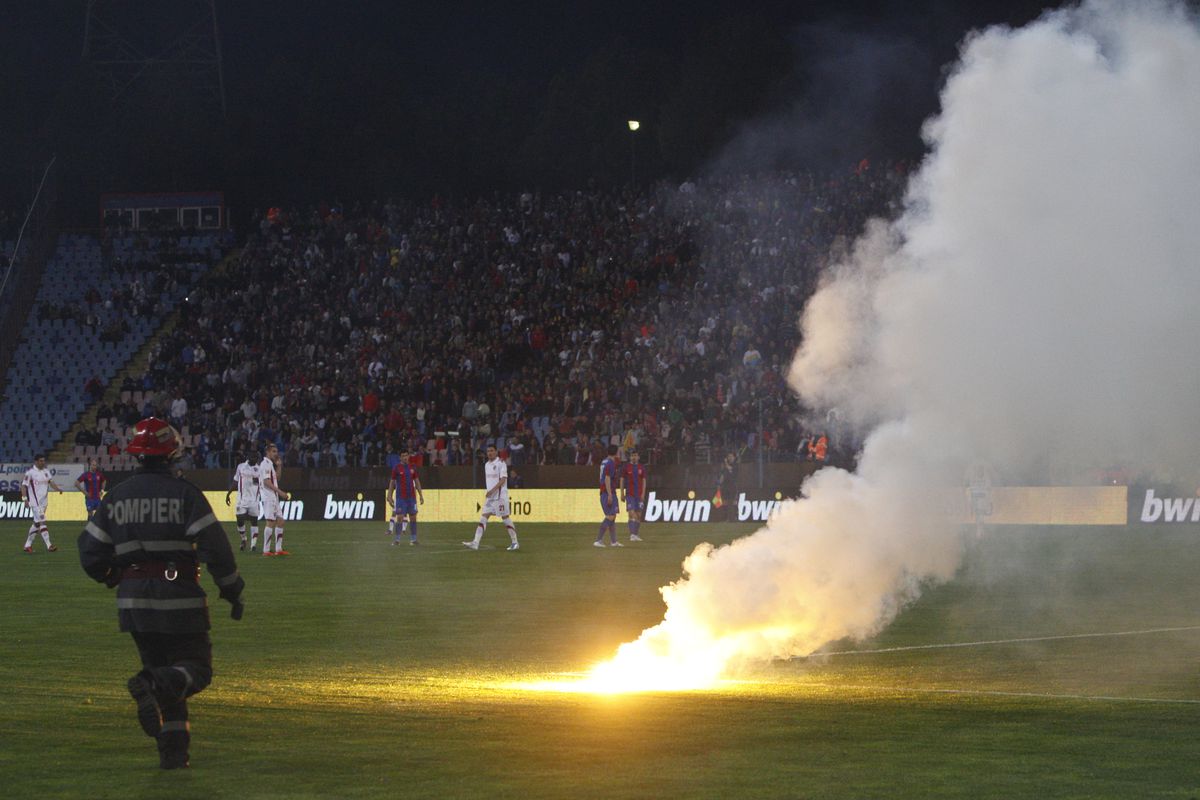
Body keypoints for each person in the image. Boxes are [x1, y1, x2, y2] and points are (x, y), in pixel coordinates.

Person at [77, 416, 245, 770]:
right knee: (195, 670)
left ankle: (173, 754)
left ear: (137, 454)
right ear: (173, 453)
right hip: (179, 595)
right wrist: (231, 590)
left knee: (167, 674)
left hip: (133, 601)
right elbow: (217, 549)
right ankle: (149, 684)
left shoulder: (117, 496)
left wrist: (114, 575)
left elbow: (90, 552)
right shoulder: (185, 493)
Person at [463, 445, 519, 551]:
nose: (489, 453)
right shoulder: (487, 465)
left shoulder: (501, 463)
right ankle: (475, 543)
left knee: (505, 518)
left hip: (500, 497)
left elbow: (503, 480)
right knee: (483, 517)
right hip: (490, 498)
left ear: (496, 452)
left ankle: (515, 542)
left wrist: (492, 491)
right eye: (488, 451)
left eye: (492, 451)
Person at [22, 455, 63, 553]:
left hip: (44, 502)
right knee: (42, 522)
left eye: (44, 461)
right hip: (35, 503)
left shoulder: (46, 471)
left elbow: (50, 482)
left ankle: (27, 545)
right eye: (41, 461)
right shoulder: (30, 473)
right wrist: (25, 499)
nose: (43, 462)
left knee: (36, 523)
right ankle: (49, 545)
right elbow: (23, 486)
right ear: (36, 462)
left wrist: (57, 489)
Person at [224, 451, 261, 552]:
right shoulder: (241, 467)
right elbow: (236, 481)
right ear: (248, 457)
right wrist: (229, 493)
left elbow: (262, 484)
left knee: (254, 521)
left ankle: (253, 545)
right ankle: (244, 539)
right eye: (252, 457)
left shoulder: (260, 469)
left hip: (254, 499)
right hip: (242, 499)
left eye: (256, 457)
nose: (254, 459)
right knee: (240, 519)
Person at [387, 448, 424, 545]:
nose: (405, 458)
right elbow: (392, 483)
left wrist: (420, 495)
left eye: (406, 455)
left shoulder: (413, 467)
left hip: (411, 497)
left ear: (409, 456)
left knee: (413, 517)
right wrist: (389, 495)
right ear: (400, 457)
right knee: (399, 517)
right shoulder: (396, 468)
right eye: (403, 456)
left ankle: (413, 539)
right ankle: (397, 540)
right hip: (400, 498)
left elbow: (417, 481)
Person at [259, 443, 290, 556]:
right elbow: (266, 482)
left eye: (276, 451)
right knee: (271, 522)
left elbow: (276, 478)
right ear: (267, 452)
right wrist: (280, 492)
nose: (276, 454)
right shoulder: (265, 464)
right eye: (274, 451)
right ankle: (266, 550)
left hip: (273, 497)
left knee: (281, 521)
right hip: (268, 496)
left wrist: (279, 466)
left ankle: (278, 549)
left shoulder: (270, 464)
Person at [594, 444, 622, 547]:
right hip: (607, 492)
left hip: (605, 491)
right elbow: (607, 478)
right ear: (616, 452)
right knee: (611, 516)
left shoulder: (604, 461)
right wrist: (610, 494)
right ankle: (598, 540)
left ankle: (613, 541)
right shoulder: (611, 463)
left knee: (612, 517)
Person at [620, 449, 648, 543]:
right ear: (630, 457)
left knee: (639, 515)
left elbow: (644, 481)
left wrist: (643, 493)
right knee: (631, 513)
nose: (634, 457)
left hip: (639, 495)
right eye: (632, 455)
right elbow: (622, 480)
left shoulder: (642, 468)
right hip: (630, 495)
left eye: (635, 455)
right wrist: (622, 493)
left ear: (638, 457)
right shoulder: (626, 467)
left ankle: (635, 534)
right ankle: (632, 535)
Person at [964, 459, 995, 539]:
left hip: (981, 498)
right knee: (979, 513)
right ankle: (979, 528)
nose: (979, 472)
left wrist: (989, 502)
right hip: (977, 498)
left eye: (980, 470)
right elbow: (969, 490)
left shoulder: (986, 478)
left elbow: (989, 490)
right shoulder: (973, 477)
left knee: (979, 513)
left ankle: (979, 528)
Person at [714, 451, 739, 522]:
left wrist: (726, 463)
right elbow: (723, 476)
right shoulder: (725, 467)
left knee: (733, 502)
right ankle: (726, 518)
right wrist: (719, 484)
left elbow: (730, 469)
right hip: (725, 487)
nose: (730, 458)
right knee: (725, 502)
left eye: (731, 456)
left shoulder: (735, 465)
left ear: (734, 457)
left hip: (733, 486)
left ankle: (735, 517)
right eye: (728, 456)